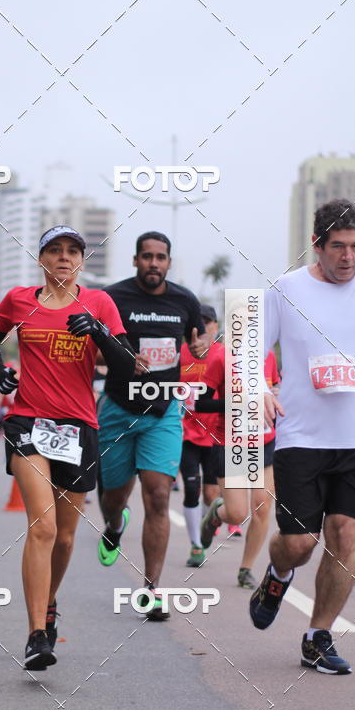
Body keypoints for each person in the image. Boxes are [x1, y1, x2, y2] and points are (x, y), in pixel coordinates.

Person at [0, 225, 133, 670]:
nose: (64, 258)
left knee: (65, 536)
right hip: (27, 422)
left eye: (72, 251)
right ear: (41, 258)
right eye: (55, 250)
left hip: (79, 427)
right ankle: (36, 634)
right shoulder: (19, 300)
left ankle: (49, 604)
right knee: (42, 527)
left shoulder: (99, 303)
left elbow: (127, 367)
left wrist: (100, 333)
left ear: (82, 261)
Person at [248, 199, 355, 674]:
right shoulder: (286, 289)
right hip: (300, 437)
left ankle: (317, 636)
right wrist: (258, 389)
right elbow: (249, 349)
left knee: (347, 535)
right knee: (299, 543)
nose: (349, 258)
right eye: (338, 247)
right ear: (317, 246)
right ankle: (277, 574)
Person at [96, 231, 208, 618]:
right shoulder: (112, 297)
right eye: (147, 256)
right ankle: (114, 525)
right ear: (135, 260)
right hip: (117, 409)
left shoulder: (184, 300)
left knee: (159, 495)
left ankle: (152, 590)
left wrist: (199, 348)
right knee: (114, 497)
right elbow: (95, 343)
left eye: (161, 257)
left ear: (169, 263)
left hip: (163, 413)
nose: (154, 263)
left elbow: (199, 337)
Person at [198, 348, 280, 587]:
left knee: (262, 507)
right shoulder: (220, 357)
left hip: (263, 440)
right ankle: (217, 513)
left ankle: (246, 569)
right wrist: (237, 403)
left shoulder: (268, 356)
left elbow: (275, 387)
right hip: (229, 443)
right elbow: (201, 403)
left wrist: (276, 393)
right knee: (237, 514)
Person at [178, 304, 222, 567]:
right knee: (192, 489)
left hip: (216, 433)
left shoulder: (223, 355)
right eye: (199, 322)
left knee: (211, 494)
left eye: (208, 323)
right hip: (186, 432)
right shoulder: (180, 353)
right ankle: (196, 545)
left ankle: (207, 526)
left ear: (216, 327)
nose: (203, 328)